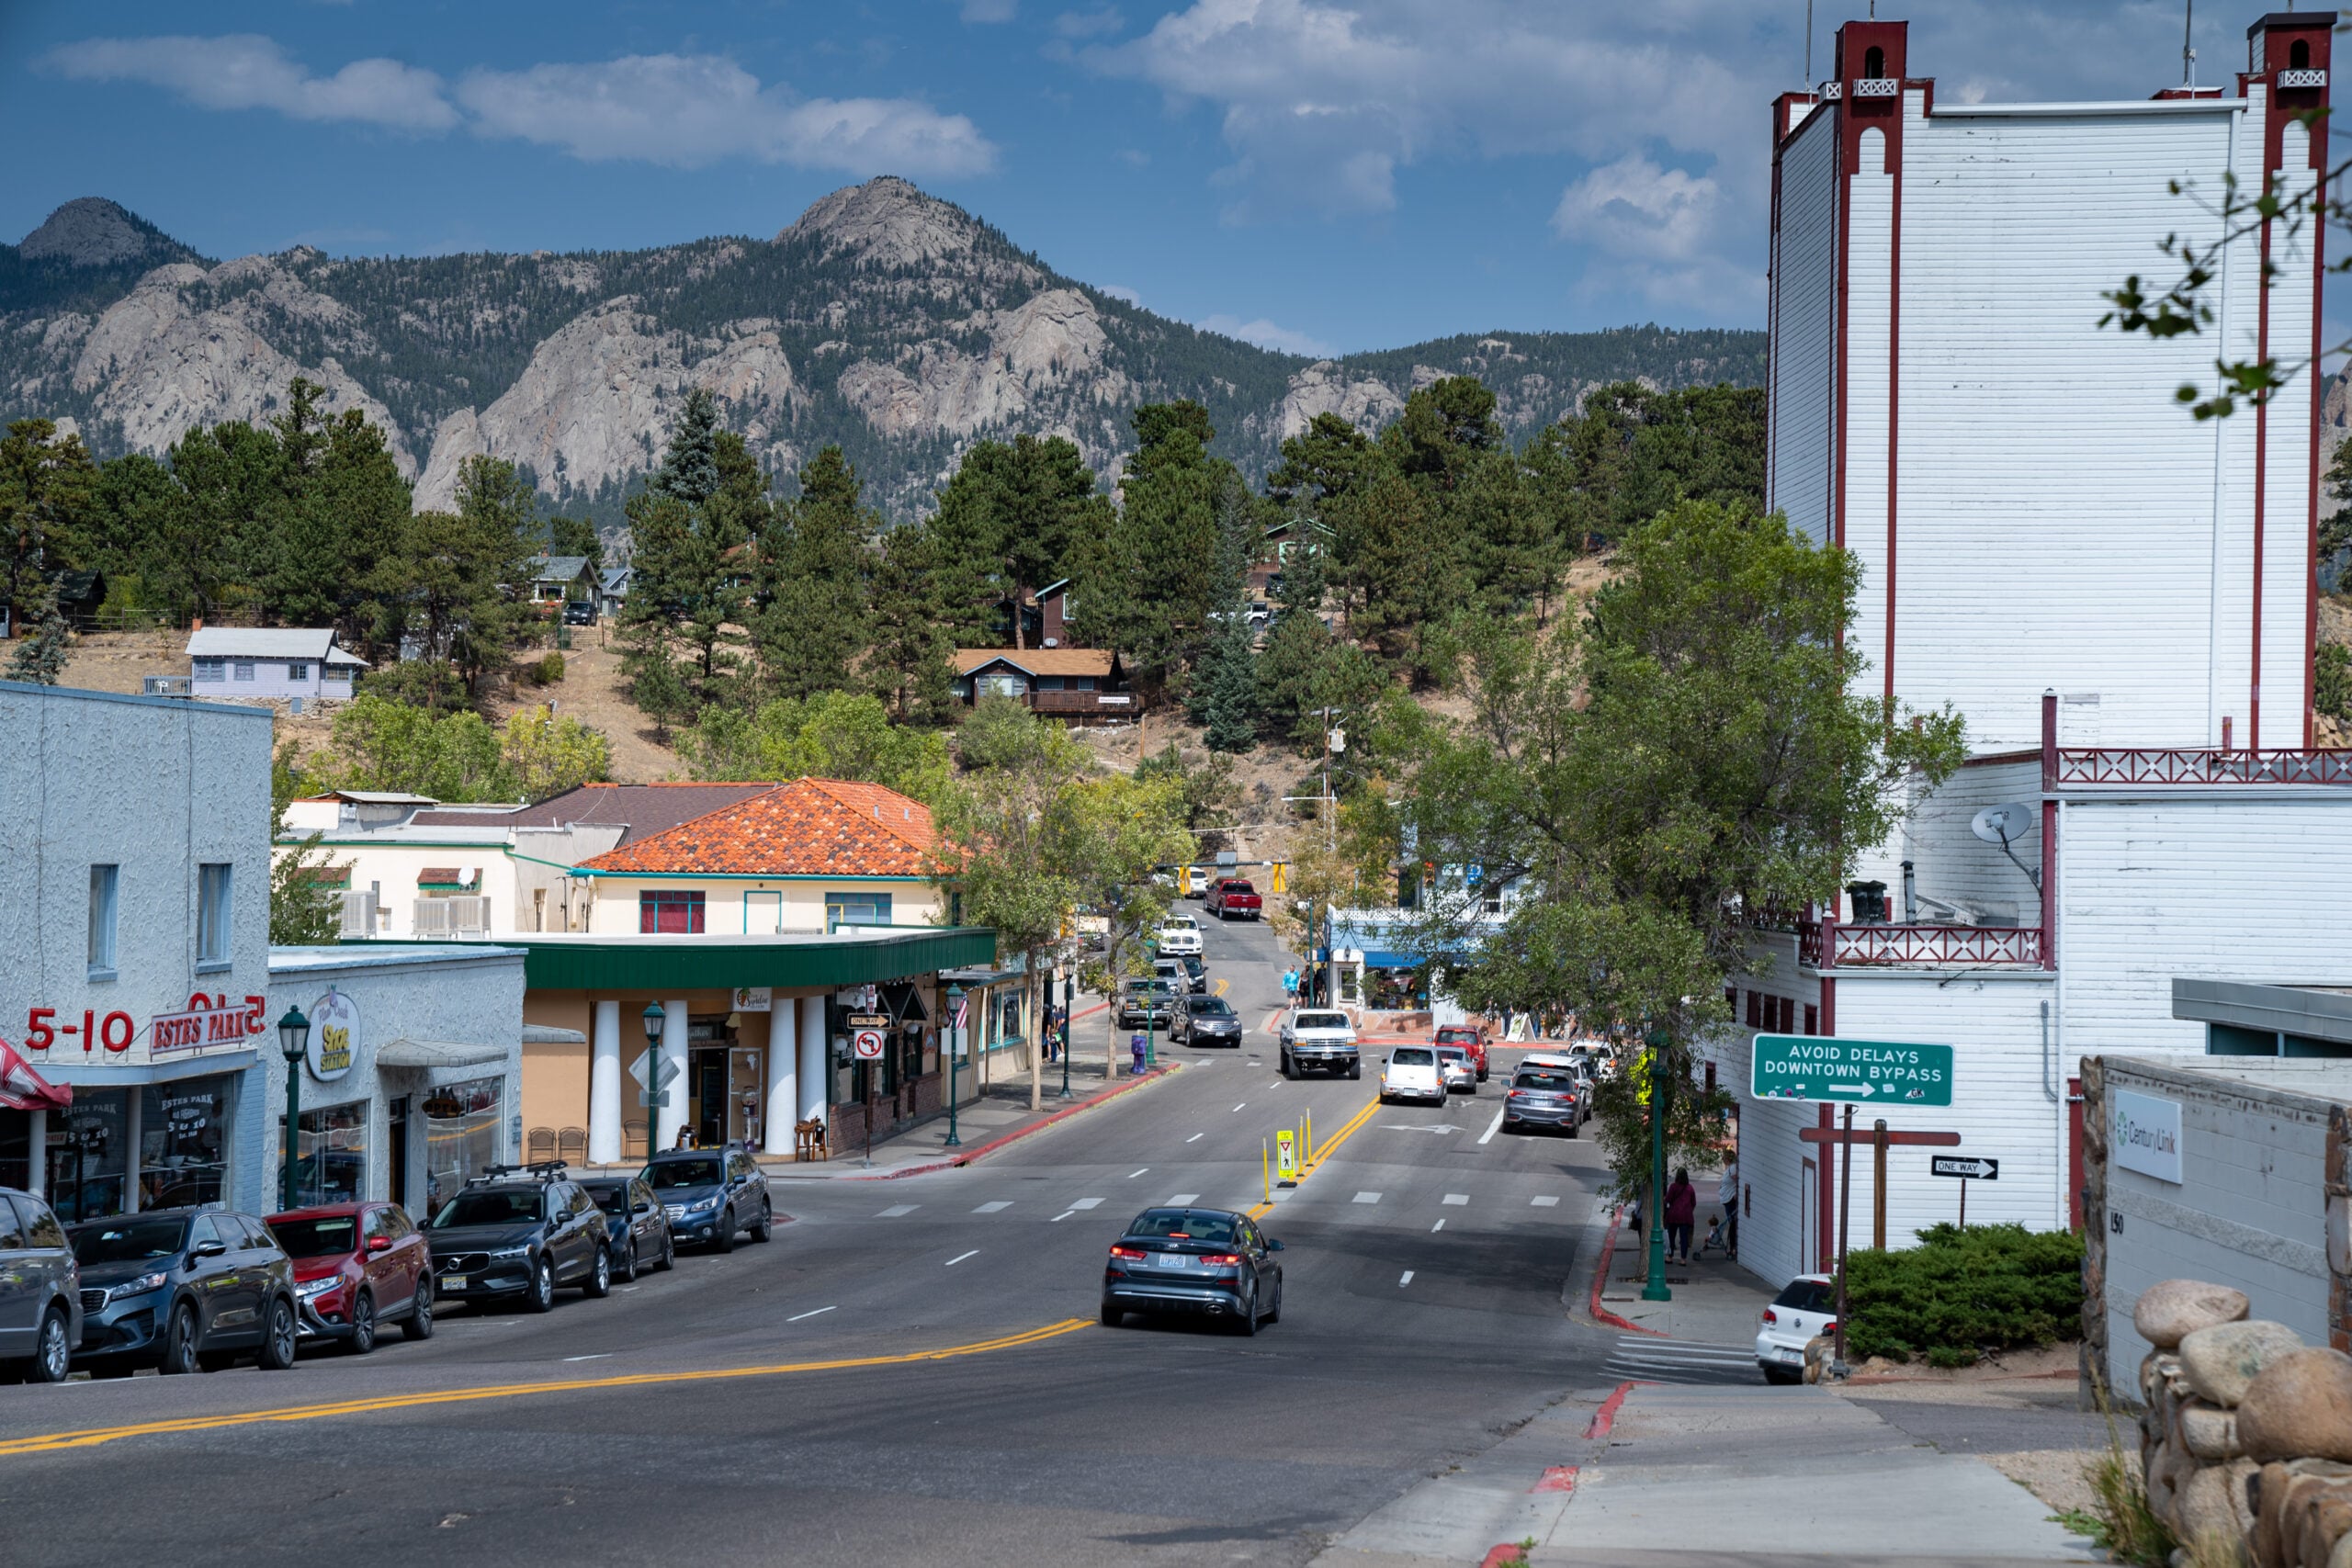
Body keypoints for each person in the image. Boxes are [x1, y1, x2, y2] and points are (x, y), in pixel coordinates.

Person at [1665, 1166, 1698, 1264]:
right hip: (1686, 1216)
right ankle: (1683, 1259)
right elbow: (1694, 1203)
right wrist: (1689, 1211)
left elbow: (1668, 1200)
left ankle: (1670, 1257)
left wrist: (1665, 1199)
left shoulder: (1673, 1186)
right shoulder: (1690, 1188)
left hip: (1674, 1215)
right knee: (1684, 1238)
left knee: (1671, 1236)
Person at [1716, 1160, 1739, 1259]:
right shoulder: (1731, 1168)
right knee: (1732, 1223)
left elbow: (1738, 1180)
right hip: (1727, 1199)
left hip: (1730, 1199)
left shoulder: (1733, 1167)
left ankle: (1732, 1248)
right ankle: (1732, 1247)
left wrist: (1736, 1194)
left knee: (1733, 1223)